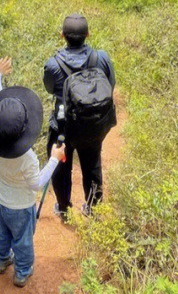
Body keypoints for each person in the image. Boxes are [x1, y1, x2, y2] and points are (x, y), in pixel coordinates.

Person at [0, 55, 67, 288]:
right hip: (20, 208)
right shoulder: (27, 158)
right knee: (22, 240)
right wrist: (54, 159)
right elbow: (37, 184)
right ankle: (22, 271)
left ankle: (0, 261)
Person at [43, 14, 117, 219]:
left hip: (62, 125)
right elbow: (110, 85)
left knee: (60, 166)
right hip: (92, 122)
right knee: (92, 163)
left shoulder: (53, 64)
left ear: (62, 35)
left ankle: (64, 208)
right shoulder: (101, 57)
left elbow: (50, 89)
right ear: (88, 34)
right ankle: (93, 210)